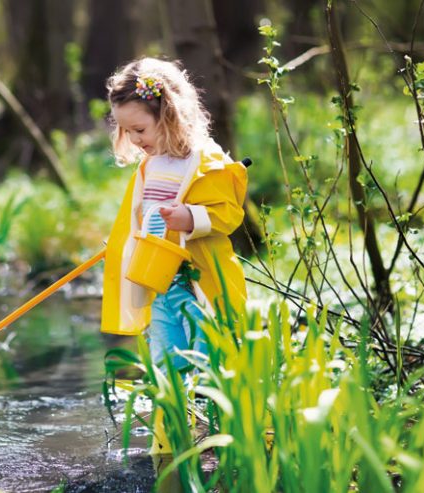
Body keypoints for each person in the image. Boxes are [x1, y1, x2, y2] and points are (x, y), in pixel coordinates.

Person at [99, 57, 248, 453]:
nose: (133, 139)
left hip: (200, 282)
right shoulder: (150, 166)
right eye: (126, 131)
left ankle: (218, 433)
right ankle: (176, 436)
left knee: (208, 354)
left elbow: (229, 214)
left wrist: (191, 217)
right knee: (167, 359)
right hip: (160, 283)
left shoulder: (204, 160)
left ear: (169, 114)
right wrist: (124, 244)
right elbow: (142, 220)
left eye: (140, 129)